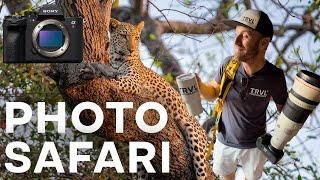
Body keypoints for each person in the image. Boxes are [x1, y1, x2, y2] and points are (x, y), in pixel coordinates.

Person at [196, 9, 288, 180]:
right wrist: (199, 85)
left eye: (245, 36)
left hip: (255, 146)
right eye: (236, 34)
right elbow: (213, 91)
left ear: (264, 43)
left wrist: (302, 106)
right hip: (224, 141)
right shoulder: (229, 65)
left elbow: (286, 112)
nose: (236, 41)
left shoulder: (274, 77)